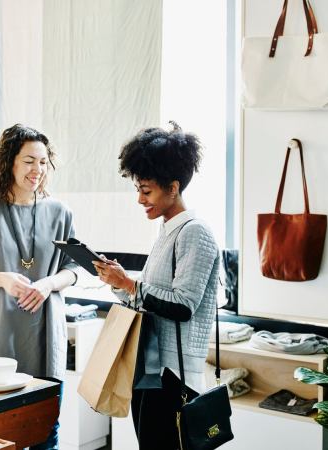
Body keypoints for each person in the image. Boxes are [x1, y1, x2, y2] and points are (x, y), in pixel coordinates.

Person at [93, 122, 220, 449]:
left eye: (146, 190)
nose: (140, 199)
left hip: (174, 374)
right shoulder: (167, 231)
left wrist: (129, 284)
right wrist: (118, 282)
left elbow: (182, 306)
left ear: (173, 188)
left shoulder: (195, 232)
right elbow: (149, 297)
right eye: (138, 189)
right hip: (152, 368)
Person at [0, 124, 78, 450]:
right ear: (8, 162)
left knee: (44, 434)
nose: (38, 169)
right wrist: (1, 279)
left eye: (43, 162)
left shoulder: (60, 212)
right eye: (29, 161)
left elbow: (73, 269)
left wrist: (48, 283)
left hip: (44, 339)